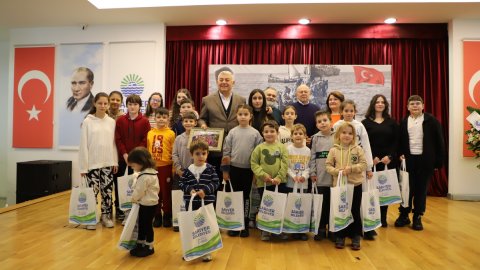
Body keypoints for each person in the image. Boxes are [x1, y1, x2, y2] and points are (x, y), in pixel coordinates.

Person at [395, 95, 445, 231]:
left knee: (421, 190)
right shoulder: (404, 122)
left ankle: (417, 216)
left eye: (418, 103)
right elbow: (399, 142)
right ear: (407, 107)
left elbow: (440, 143)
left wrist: (438, 163)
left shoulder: (432, 121)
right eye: (412, 104)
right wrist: (399, 155)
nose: (415, 106)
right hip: (408, 161)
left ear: (423, 106)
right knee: (406, 189)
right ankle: (404, 215)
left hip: (425, 161)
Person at [221, 104, 263, 238]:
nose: (243, 117)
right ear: (236, 116)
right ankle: (234, 225)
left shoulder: (255, 133)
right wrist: (225, 171)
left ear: (250, 116)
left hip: (248, 170)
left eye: (246, 114)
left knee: (246, 198)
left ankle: (244, 224)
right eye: (240, 114)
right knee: (234, 197)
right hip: (233, 170)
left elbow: (258, 155)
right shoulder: (232, 132)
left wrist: (256, 173)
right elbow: (226, 152)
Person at [79, 92, 118, 230]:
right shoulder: (87, 122)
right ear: (94, 104)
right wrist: (83, 167)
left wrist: (115, 161)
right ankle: (90, 217)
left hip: (108, 164)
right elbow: (83, 145)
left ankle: (105, 216)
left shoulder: (112, 122)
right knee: (92, 193)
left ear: (108, 105)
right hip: (92, 165)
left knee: (107, 192)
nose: (103, 106)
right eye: (100, 103)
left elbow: (113, 144)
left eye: (105, 103)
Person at [326, 122, 367, 250]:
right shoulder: (333, 150)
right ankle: (340, 236)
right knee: (341, 210)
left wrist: (352, 169)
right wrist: (337, 171)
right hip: (339, 186)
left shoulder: (358, 149)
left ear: (354, 136)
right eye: (344, 133)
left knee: (354, 210)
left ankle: (355, 236)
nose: (347, 135)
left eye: (350, 133)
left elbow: (364, 165)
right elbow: (328, 166)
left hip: (355, 185)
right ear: (338, 135)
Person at [362, 94, 399, 236]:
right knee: (372, 191)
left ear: (386, 105)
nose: (380, 104)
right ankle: (371, 217)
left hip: (387, 162)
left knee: (385, 191)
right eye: (377, 102)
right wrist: (371, 158)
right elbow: (364, 143)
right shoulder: (365, 123)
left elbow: (396, 141)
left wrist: (390, 156)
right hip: (372, 162)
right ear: (373, 104)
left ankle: (383, 217)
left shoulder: (392, 122)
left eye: (382, 102)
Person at [179, 140, 220, 262]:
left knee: (206, 227)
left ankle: (206, 252)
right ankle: (190, 249)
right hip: (191, 203)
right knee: (192, 227)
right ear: (192, 155)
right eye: (197, 154)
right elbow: (182, 183)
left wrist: (206, 190)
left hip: (207, 203)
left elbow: (216, 183)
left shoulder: (211, 169)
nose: (201, 156)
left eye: (204, 153)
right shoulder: (187, 170)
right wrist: (189, 189)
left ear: (207, 154)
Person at [199, 70, 246, 177]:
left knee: (234, 180)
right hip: (215, 148)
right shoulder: (207, 100)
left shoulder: (241, 100)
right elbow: (202, 119)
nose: (224, 82)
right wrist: (202, 125)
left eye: (227, 80)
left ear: (233, 83)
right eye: (221, 80)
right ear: (217, 82)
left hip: (235, 147)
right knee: (215, 180)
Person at [250, 120, 288, 241]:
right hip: (264, 183)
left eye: (272, 131)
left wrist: (279, 177)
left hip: (279, 183)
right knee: (266, 206)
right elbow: (254, 164)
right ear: (262, 133)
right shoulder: (259, 148)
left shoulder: (282, 147)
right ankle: (265, 230)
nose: (269, 134)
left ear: (277, 133)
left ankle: (278, 230)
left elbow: (285, 163)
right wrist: (262, 175)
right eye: (266, 131)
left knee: (279, 206)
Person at [114, 94, 151, 220]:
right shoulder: (120, 120)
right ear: (126, 105)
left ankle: (134, 209)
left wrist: (134, 156)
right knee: (120, 184)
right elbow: (118, 139)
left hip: (138, 160)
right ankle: (120, 209)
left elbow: (145, 139)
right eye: (130, 104)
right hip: (122, 158)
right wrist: (125, 154)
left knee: (135, 184)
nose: (132, 107)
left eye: (135, 104)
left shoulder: (145, 121)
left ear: (140, 106)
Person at [127, 147, 160, 257]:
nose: (133, 168)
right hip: (151, 203)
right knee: (144, 224)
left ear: (140, 162)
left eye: (133, 165)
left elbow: (139, 191)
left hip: (147, 205)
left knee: (146, 225)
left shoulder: (144, 176)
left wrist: (133, 199)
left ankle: (149, 246)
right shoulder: (153, 173)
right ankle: (141, 243)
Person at [147, 107, 175, 228]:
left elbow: (173, 151)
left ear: (168, 119)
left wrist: (173, 167)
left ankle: (167, 215)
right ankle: (157, 214)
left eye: (164, 117)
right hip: (153, 168)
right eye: (159, 117)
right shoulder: (150, 133)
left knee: (166, 192)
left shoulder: (171, 133)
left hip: (166, 167)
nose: (161, 120)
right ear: (154, 118)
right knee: (155, 191)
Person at [309, 110, 335, 241]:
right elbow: (312, 157)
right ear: (316, 124)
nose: (322, 123)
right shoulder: (315, 138)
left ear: (331, 121)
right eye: (319, 121)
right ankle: (320, 228)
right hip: (320, 177)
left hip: (334, 178)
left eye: (325, 120)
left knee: (332, 204)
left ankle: (332, 229)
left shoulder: (337, 136)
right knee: (321, 204)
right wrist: (312, 173)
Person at [333, 100, 374, 179]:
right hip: (341, 160)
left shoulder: (359, 126)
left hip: (356, 160)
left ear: (355, 112)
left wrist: (369, 168)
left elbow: (366, 146)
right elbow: (334, 144)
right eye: (346, 111)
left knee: (356, 183)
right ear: (341, 112)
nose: (349, 113)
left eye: (351, 111)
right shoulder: (336, 125)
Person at [171, 111, 197, 232]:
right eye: (186, 121)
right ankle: (177, 221)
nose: (188, 123)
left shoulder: (198, 137)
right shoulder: (178, 138)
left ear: (195, 123)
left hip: (194, 173)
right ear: (182, 123)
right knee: (178, 197)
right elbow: (174, 154)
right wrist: (178, 168)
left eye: (191, 121)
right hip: (180, 172)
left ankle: (191, 221)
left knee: (192, 196)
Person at [286, 123, 311, 241]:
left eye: (301, 133)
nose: (298, 136)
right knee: (291, 207)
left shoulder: (307, 151)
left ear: (305, 136)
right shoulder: (288, 149)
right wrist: (292, 176)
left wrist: (304, 176)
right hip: (290, 183)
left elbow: (309, 167)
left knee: (302, 207)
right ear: (291, 136)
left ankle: (301, 230)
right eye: (295, 133)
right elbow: (286, 166)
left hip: (303, 184)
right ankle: (291, 229)